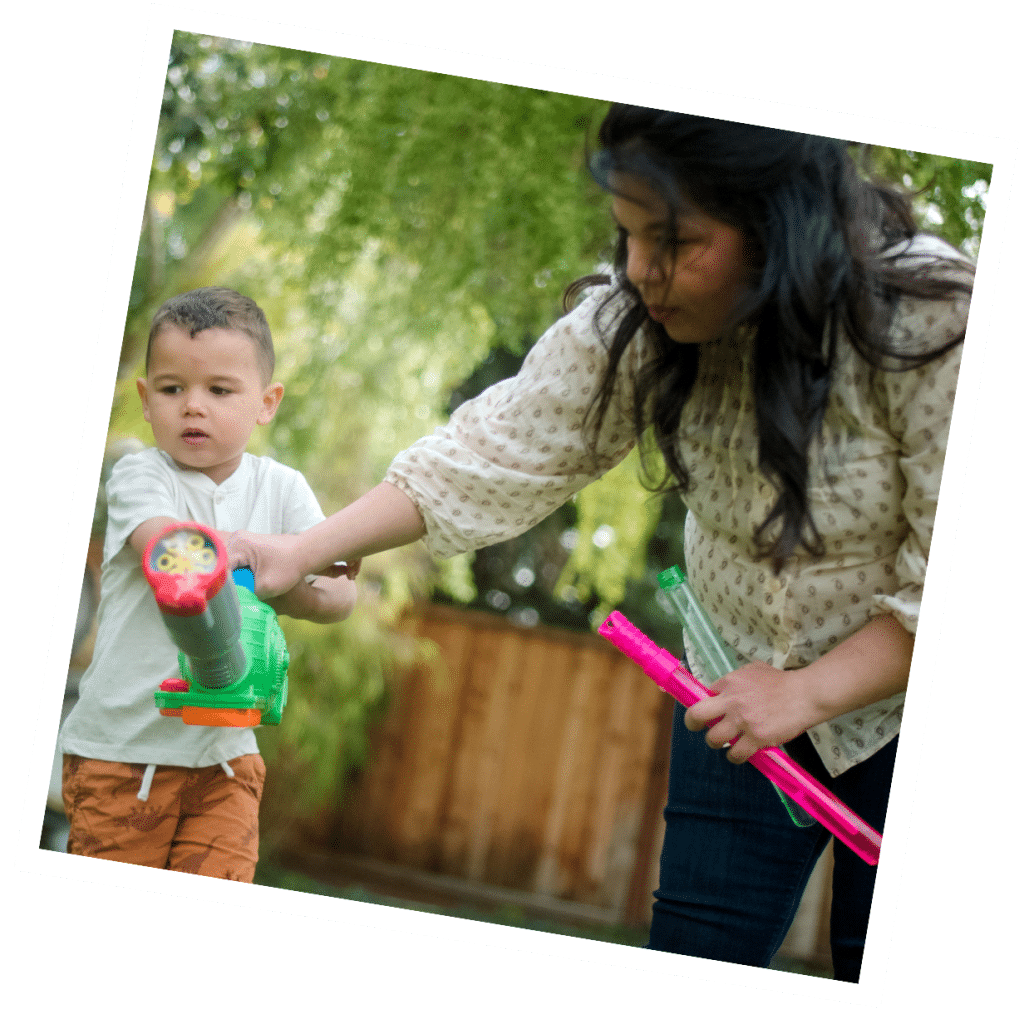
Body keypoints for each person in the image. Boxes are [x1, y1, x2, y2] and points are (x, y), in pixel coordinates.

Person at [227, 106, 974, 978]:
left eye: (675, 241)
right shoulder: (637, 319)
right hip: (733, 698)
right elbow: (491, 452)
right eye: (626, 236)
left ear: (778, 224)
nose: (640, 272)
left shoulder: (928, 318)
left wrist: (807, 693)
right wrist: (299, 551)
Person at [58, 287, 357, 882]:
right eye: (172, 389)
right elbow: (169, 551)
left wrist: (290, 578)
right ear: (145, 400)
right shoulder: (141, 475)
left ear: (265, 402)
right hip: (123, 755)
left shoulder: (283, 489)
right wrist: (253, 553)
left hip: (225, 759)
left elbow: (340, 593)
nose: (193, 406)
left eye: (219, 390)